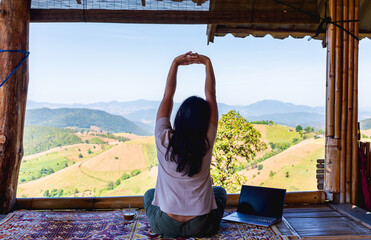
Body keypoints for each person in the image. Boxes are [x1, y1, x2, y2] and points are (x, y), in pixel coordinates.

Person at [143, 52, 227, 238]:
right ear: (204, 122)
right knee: (219, 193)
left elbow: (167, 96)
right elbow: (211, 95)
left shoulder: (163, 138)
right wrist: (207, 63)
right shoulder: (206, 142)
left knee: (150, 195)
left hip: (166, 226)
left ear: (179, 116)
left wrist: (175, 64)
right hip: (201, 226)